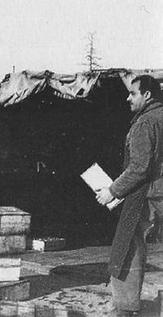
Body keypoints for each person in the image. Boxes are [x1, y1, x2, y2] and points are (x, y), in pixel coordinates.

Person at [96, 74, 163, 316]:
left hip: (149, 198)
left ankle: (124, 308)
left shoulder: (145, 123)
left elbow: (139, 168)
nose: (127, 98)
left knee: (127, 248)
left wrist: (111, 191)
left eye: (132, 93)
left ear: (147, 95)